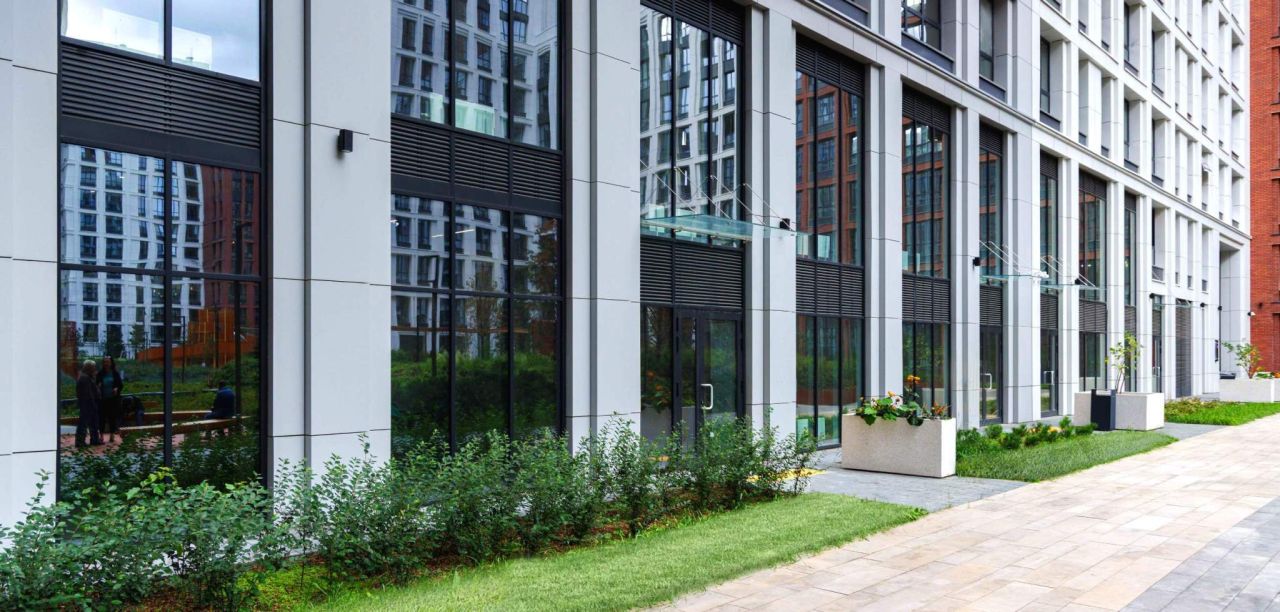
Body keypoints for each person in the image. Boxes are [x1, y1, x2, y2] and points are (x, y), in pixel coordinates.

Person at [96, 356, 125, 443]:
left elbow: (120, 385)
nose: (106, 363)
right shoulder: (100, 373)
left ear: (111, 363)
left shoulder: (115, 373)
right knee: (101, 418)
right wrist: (98, 387)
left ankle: (112, 435)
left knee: (112, 417)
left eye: (108, 362)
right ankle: (101, 436)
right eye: (104, 362)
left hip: (112, 399)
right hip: (102, 399)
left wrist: (116, 388)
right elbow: (96, 384)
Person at [74, 360, 102, 447]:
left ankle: (94, 439)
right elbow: (88, 394)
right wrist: (93, 404)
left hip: (88, 404)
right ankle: (80, 441)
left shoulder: (87, 377)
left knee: (92, 423)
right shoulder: (85, 378)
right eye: (93, 367)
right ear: (89, 368)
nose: (94, 369)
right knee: (84, 424)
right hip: (87, 405)